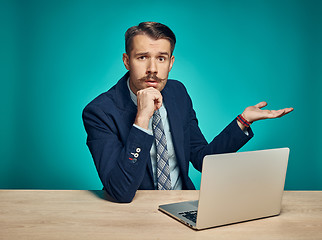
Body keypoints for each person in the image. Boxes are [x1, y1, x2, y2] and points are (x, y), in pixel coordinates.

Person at [82, 22, 293, 203]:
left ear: (171, 63)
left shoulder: (178, 93)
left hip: (183, 205)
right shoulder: (99, 112)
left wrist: (243, 121)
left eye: (161, 58)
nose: (153, 68)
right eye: (142, 57)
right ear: (127, 61)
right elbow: (120, 192)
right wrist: (142, 118)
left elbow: (202, 159)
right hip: (135, 214)